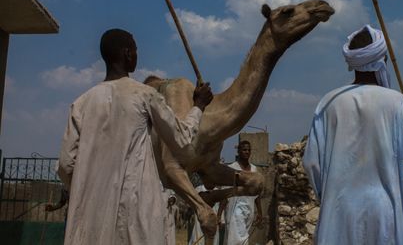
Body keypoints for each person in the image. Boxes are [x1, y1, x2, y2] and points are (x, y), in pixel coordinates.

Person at [57, 28, 213, 245]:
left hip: (91, 218)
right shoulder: (145, 95)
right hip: (136, 217)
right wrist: (198, 106)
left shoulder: (81, 104)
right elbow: (182, 140)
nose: (138, 55)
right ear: (127, 53)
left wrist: (91, 189)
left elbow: (65, 165)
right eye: (136, 50)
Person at [302, 24, 403, 245]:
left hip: (339, 212)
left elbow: (312, 163)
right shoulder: (396, 102)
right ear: (382, 60)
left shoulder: (328, 103)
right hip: (385, 212)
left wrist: (331, 194)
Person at [218, 141, 262, 245]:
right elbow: (226, 192)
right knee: (238, 240)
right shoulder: (232, 168)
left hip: (249, 210)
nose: (247, 152)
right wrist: (219, 214)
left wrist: (260, 212)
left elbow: (257, 193)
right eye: (244, 150)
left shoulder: (254, 169)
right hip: (235, 211)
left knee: (242, 238)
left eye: (248, 150)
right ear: (238, 151)